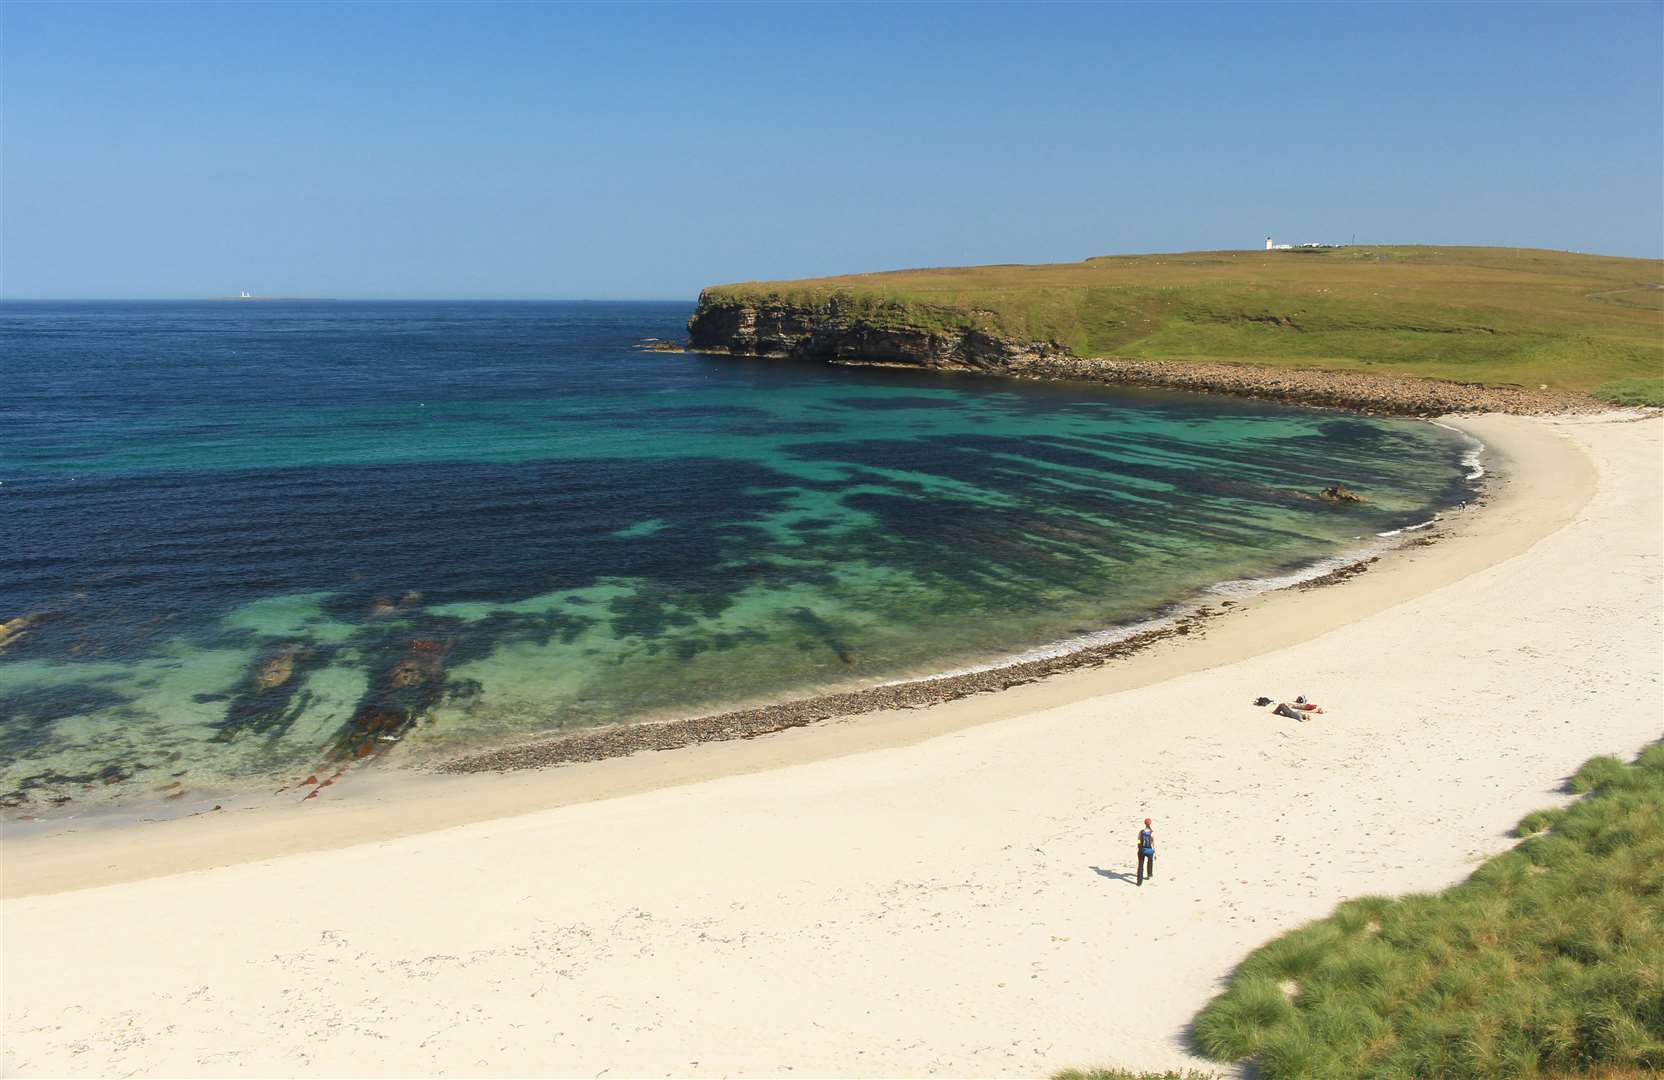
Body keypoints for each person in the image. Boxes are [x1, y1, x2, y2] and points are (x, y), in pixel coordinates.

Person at [1136, 818, 1155, 885]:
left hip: (1141, 850)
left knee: (1140, 865)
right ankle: (1149, 874)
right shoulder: (1152, 832)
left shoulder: (1141, 832)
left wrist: (1138, 846)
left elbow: (1138, 840)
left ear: (1145, 823)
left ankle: (1139, 882)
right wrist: (1155, 851)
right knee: (1150, 861)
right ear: (1150, 823)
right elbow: (1153, 843)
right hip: (1149, 850)